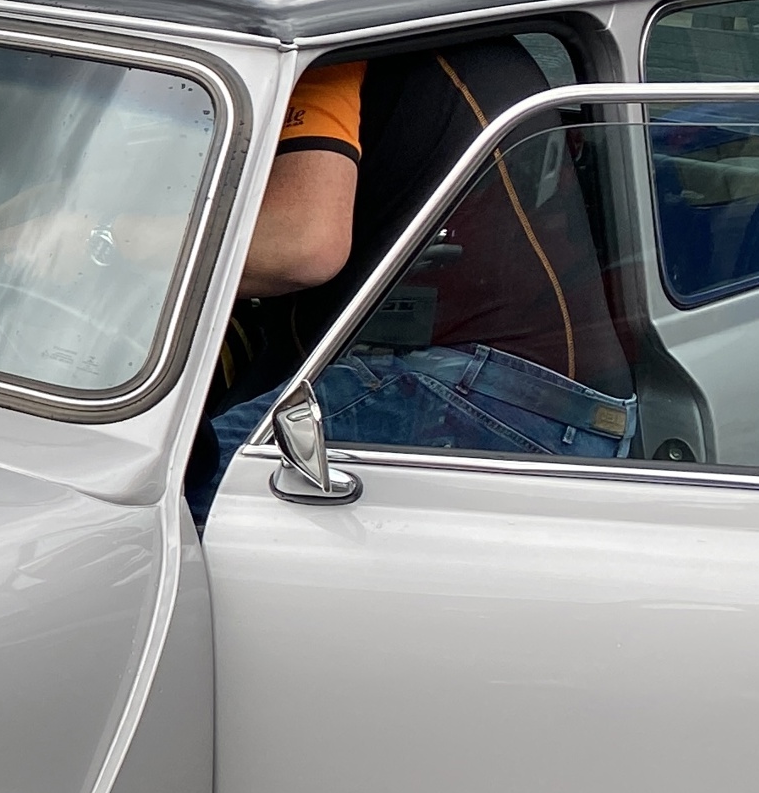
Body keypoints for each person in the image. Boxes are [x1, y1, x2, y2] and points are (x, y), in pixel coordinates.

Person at [191, 37, 632, 513]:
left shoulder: (316, 44)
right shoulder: (421, 37)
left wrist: (132, 253)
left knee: (170, 495)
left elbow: (302, 246)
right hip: (552, 399)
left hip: (487, 389)